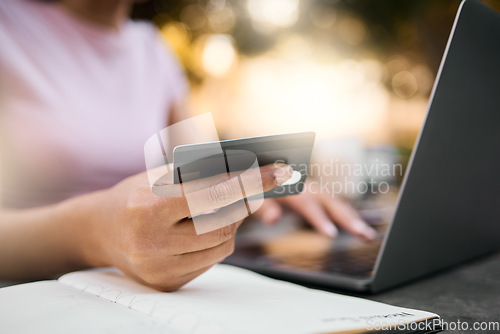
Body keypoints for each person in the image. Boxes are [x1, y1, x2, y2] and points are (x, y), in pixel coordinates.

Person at [0, 0, 376, 291]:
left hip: (150, 297)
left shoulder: (151, 47)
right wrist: (94, 232)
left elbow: (200, 173)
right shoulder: (9, 27)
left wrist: (258, 182)